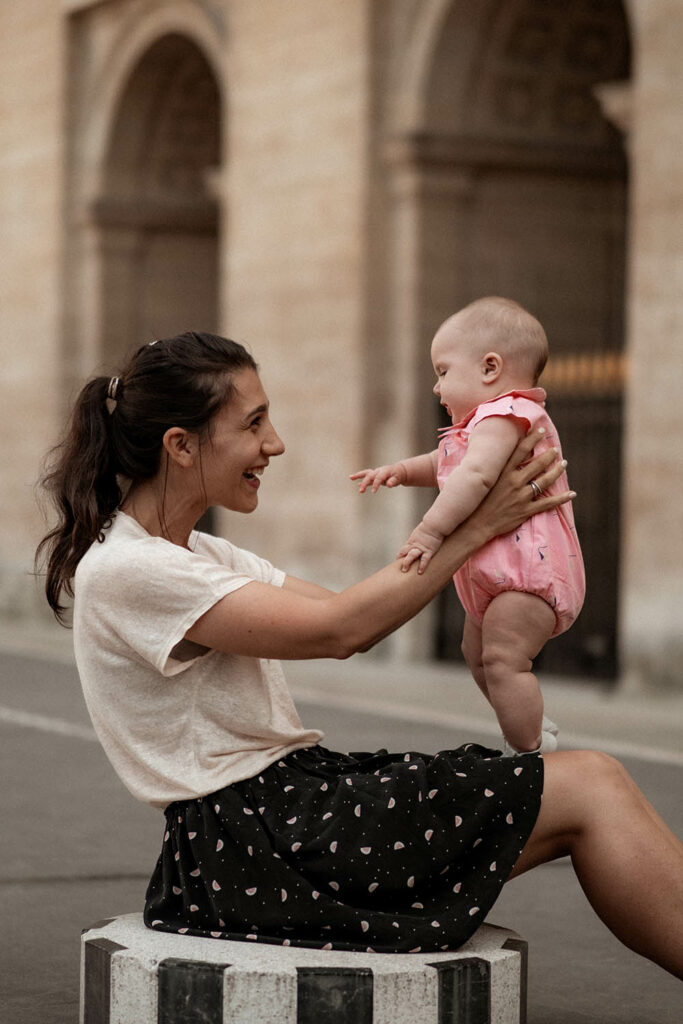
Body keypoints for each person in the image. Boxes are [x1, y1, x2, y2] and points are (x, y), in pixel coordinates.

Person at [36, 331, 682, 976]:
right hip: (259, 842)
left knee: (588, 782)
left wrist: (481, 528)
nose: (275, 442)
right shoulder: (132, 568)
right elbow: (339, 630)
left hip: (280, 817)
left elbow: (353, 609)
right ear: (180, 445)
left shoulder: (197, 554)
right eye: (254, 422)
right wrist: (477, 527)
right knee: (591, 784)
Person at [351, 297, 585, 755]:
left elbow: (474, 477)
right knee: (477, 655)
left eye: (442, 371)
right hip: (501, 579)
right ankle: (530, 722)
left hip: (527, 578)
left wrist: (429, 533)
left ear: (490, 368)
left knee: (502, 660)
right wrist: (401, 470)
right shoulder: (481, 427)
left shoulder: (507, 414)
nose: (437, 388)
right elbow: (445, 462)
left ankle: (530, 751)